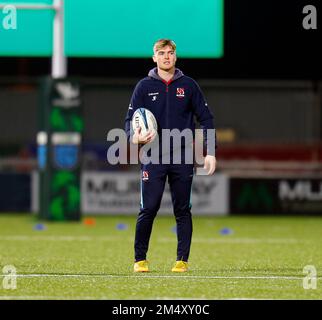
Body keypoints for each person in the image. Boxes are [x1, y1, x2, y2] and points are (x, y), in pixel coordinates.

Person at [125, 39, 217, 273]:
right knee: (149, 208)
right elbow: (129, 121)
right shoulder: (143, 87)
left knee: (182, 210)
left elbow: (206, 119)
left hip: (183, 157)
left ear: (175, 57)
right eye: (161, 53)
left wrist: (210, 152)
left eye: (170, 53)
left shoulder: (189, 85)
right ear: (154, 57)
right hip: (153, 157)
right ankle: (139, 260)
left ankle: (182, 260)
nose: (166, 56)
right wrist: (133, 138)